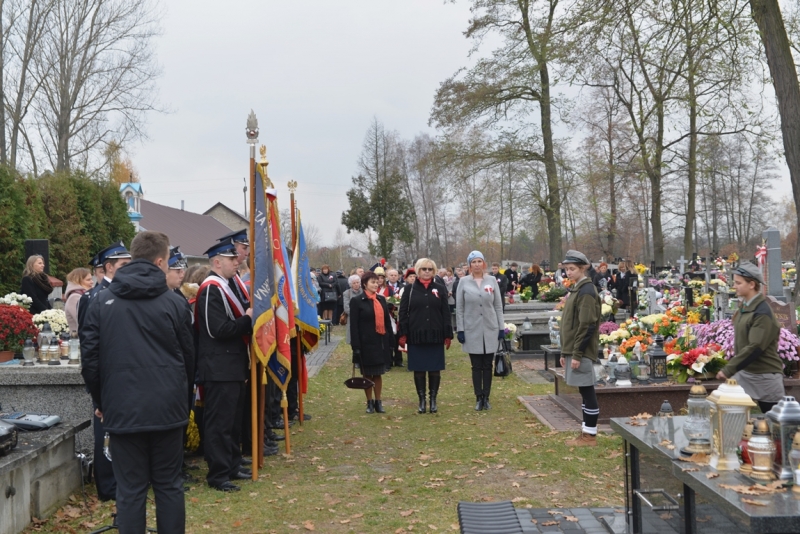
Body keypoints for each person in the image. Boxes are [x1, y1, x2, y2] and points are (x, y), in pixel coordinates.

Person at [81, 231, 195, 534]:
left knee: (131, 489)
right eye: (168, 261)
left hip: (123, 407)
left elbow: (90, 362)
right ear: (159, 262)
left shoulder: (102, 302)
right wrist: (182, 402)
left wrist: (102, 402)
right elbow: (189, 359)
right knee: (168, 485)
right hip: (165, 407)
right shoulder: (174, 304)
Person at [196, 239, 254, 492]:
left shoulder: (227, 285)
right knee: (220, 423)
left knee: (232, 421)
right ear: (217, 262)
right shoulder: (211, 288)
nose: (237, 262)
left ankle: (232, 464)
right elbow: (217, 329)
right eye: (231, 259)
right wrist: (247, 319)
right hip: (219, 367)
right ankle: (218, 474)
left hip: (232, 365)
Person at [78, 241, 132, 502]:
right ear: (109, 267)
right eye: (123, 265)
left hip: (124, 374)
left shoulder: (125, 292)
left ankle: (122, 480)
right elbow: (89, 344)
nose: (128, 268)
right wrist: (96, 386)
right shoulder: (94, 297)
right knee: (105, 433)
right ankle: (108, 486)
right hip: (105, 376)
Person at [715, 262, 784, 413]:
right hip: (745, 373)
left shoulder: (762, 312)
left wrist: (729, 369)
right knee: (726, 413)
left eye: (738, 283)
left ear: (752, 284)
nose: (734, 286)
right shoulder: (745, 306)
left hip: (765, 376)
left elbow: (755, 346)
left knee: (774, 422)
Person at [558, 250, 601, 447]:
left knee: (587, 390)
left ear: (583, 268)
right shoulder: (577, 289)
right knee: (584, 392)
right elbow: (570, 322)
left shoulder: (586, 291)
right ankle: (586, 432)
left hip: (581, 350)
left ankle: (590, 436)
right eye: (566, 269)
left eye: (572, 269)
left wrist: (576, 354)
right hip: (573, 349)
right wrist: (564, 352)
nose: (568, 272)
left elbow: (587, 325)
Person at [398, 258, 452, 414]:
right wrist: (403, 333)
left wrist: (447, 334)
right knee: (419, 369)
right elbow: (403, 313)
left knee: (435, 369)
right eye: (424, 269)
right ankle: (422, 400)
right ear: (418, 270)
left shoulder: (440, 288)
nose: (427, 272)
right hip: (416, 334)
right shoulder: (410, 289)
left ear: (434, 271)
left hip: (435, 334)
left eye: (430, 269)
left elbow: (445, 312)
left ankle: (433, 399)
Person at [456, 251, 504, 411]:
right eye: (474, 262)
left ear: (483, 263)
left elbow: (498, 306)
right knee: (476, 366)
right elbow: (460, 308)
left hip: (490, 328)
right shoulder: (463, 282)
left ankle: (486, 397)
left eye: (479, 261)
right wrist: (461, 329)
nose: (477, 264)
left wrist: (501, 327)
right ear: (469, 265)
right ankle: (478, 397)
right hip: (472, 329)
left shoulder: (492, 280)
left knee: (487, 365)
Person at [349, 271, 394, 414]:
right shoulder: (357, 301)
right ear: (365, 284)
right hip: (365, 344)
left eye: (377, 282)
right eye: (373, 282)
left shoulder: (381, 299)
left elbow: (387, 322)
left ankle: (378, 401)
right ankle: (369, 402)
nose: (376, 284)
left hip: (380, 342)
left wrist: (390, 340)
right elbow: (354, 326)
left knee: (378, 374)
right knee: (367, 374)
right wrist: (356, 346)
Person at [64, 268, 92, 333]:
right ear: (78, 281)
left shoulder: (84, 294)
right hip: (79, 337)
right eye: (88, 280)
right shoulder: (75, 297)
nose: (92, 282)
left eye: (91, 279)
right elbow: (82, 320)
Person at [342, 274, 362, 353]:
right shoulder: (347, 293)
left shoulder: (364, 291)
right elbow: (346, 307)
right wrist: (356, 314)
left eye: (357, 282)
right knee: (353, 338)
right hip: (352, 318)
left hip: (363, 318)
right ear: (351, 284)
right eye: (354, 283)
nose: (356, 284)